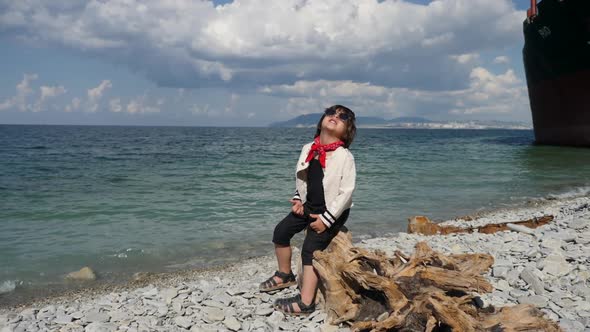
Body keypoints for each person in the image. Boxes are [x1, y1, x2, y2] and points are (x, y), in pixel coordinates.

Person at [259, 105, 357, 316]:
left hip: (332, 211)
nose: (335, 117)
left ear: (347, 130)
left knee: (309, 249)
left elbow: (346, 193)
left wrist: (326, 220)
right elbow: (302, 179)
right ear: (322, 119)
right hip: (309, 204)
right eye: (331, 112)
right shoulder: (308, 148)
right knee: (281, 232)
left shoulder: (344, 156)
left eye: (343, 117)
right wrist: (297, 199)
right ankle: (285, 275)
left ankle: (305, 302)